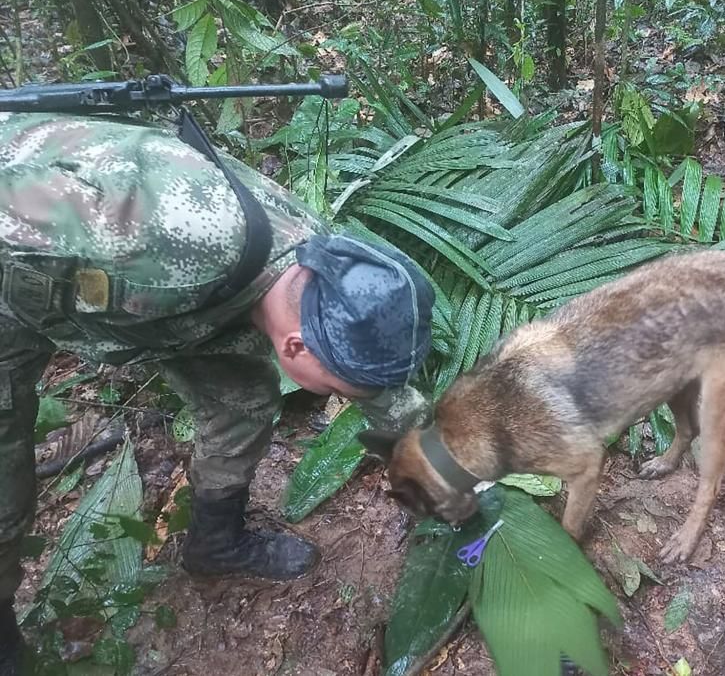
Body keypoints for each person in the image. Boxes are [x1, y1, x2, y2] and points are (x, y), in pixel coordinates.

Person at [0, 111, 435, 674]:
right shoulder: (157, 255)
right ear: (297, 350)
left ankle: (215, 542)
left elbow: (374, 382)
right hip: (19, 266)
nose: (348, 398)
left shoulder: (323, 268)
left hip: (146, 293)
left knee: (243, 401)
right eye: (340, 391)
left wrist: (438, 459)